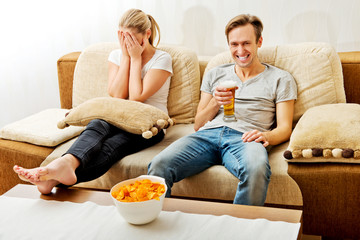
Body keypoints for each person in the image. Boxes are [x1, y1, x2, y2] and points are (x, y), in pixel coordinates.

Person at [13, 9, 173, 194]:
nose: (126, 44)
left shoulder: (162, 59)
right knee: (96, 125)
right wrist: (126, 57)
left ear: (147, 34)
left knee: (112, 146)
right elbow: (118, 95)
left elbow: (137, 97)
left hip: (148, 127)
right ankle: (62, 166)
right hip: (118, 116)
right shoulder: (116, 56)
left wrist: (135, 58)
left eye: (131, 39)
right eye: (122, 37)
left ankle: (53, 179)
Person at [148, 14, 297, 206]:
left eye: (246, 43)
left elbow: (285, 128)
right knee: (159, 165)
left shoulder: (280, 78)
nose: (240, 50)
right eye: (234, 44)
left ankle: (238, 230)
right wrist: (215, 102)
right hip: (207, 135)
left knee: (256, 169)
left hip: (245, 139)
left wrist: (265, 137)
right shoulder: (216, 74)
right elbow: (198, 124)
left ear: (259, 42)